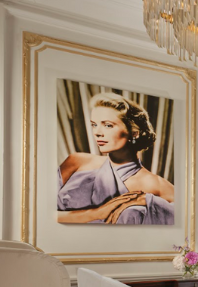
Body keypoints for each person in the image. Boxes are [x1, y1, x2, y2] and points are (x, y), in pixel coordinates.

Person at [57, 92, 174, 224]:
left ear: (134, 133)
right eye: (94, 125)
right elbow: (40, 211)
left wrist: (148, 201)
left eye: (108, 125)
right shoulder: (77, 162)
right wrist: (96, 213)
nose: (97, 133)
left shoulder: (156, 184)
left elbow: (188, 216)